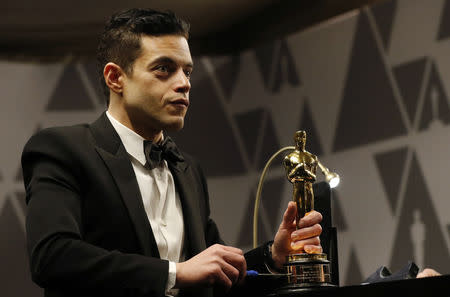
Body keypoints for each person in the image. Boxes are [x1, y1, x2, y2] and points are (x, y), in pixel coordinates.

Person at [21, 8, 323, 297]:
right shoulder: (62, 149)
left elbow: (216, 272)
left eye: (187, 71)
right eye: (164, 69)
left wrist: (274, 255)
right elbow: (53, 256)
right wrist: (174, 273)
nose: (184, 84)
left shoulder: (188, 169)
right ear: (115, 78)